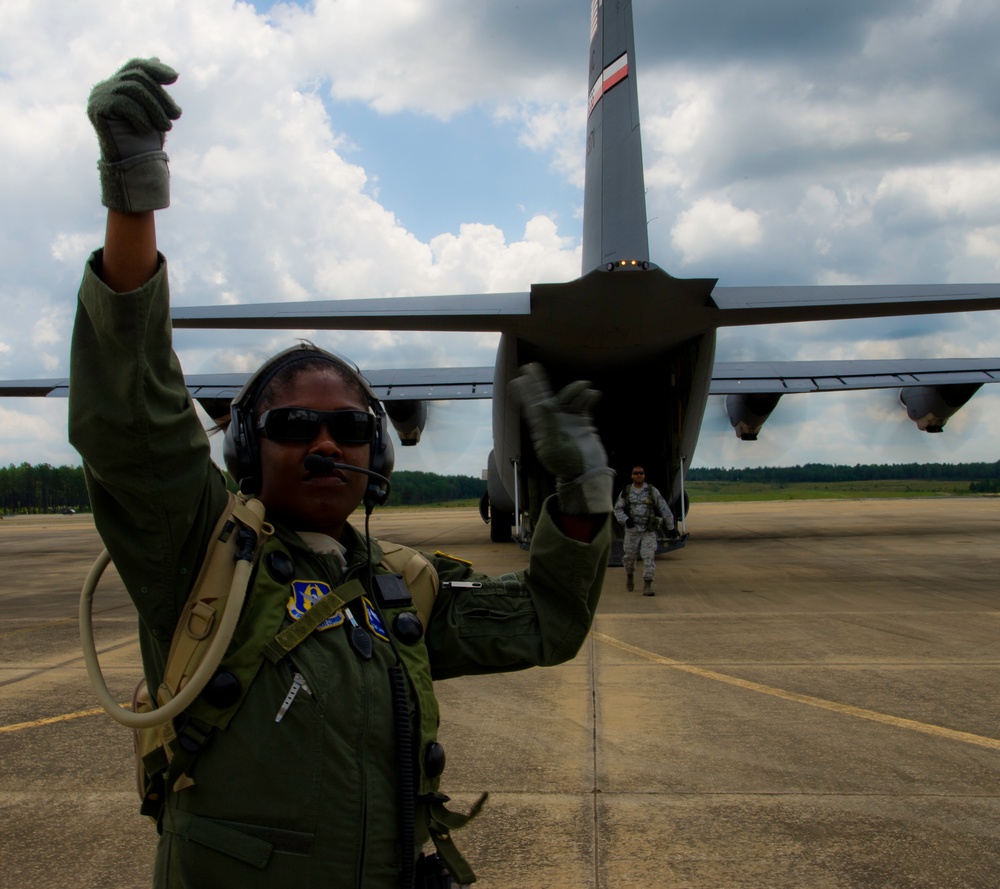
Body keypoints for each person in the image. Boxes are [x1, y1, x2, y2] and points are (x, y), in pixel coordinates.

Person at [69, 59, 613, 889]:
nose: (326, 441)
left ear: (378, 451)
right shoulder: (201, 558)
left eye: (351, 426)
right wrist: (132, 193)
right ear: (250, 448)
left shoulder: (397, 589)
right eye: (294, 423)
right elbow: (132, 419)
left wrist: (580, 503)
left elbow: (544, 618)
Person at [612, 466, 674, 596]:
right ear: (632, 476)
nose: (639, 475)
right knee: (629, 558)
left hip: (648, 530)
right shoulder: (626, 491)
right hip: (632, 530)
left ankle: (647, 585)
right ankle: (629, 575)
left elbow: (664, 508)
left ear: (644, 476)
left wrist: (671, 528)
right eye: (636, 473)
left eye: (641, 473)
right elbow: (617, 509)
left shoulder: (652, 491)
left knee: (648, 557)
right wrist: (625, 519)